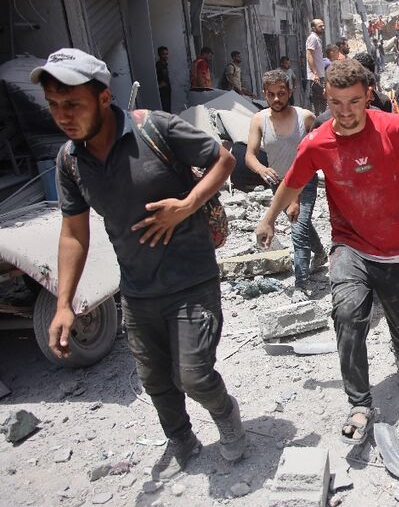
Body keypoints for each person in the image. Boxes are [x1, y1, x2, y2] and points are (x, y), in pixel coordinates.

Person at [35, 48, 245, 479]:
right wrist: (63, 303)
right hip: (137, 290)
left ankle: (226, 414)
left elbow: (223, 159)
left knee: (194, 374)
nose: (63, 116)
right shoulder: (69, 161)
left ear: (103, 98)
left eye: (72, 104)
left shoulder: (155, 129)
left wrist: (186, 205)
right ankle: (181, 438)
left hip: (191, 279)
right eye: (54, 106)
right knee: (156, 381)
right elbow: (74, 231)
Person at [255, 60, 399, 446]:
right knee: (347, 315)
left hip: (398, 245)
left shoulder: (395, 127)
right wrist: (269, 218)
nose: (345, 111)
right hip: (349, 244)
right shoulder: (318, 141)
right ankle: (359, 402)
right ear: (327, 99)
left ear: (368, 96)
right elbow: (293, 181)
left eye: (354, 102)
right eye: (337, 103)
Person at [245, 70, 326, 296]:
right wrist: (262, 169)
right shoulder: (259, 119)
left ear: (290, 91)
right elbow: (250, 155)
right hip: (278, 183)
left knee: (298, 229)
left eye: (282, 93)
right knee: (301, 224)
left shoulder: (306, 117)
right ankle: (319, 252)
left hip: (305, 182)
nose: (277, 99)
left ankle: (301, 285)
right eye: (271, 94)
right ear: (264, 94)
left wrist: (297, 197)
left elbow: (320, 151)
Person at [306, 19, 327, 115]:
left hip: (319, 75)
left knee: (322, 103)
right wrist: (314, 73)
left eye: (323, 26)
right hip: (315, 77)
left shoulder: (317, 38)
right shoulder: (312, 38)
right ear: (313, 28)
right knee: (317, 105)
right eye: (320, 26)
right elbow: (309, 55)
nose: (323, 28)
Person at [156, 46, 171, 113]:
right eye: (163, 54)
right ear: (159, 55)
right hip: (162, 90)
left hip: (167, 89)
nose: (165, 56)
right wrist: (160, 84)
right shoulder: (158, 65)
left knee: (168, 107)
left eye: (166, 54)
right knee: (165, 108)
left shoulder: (165, 64)